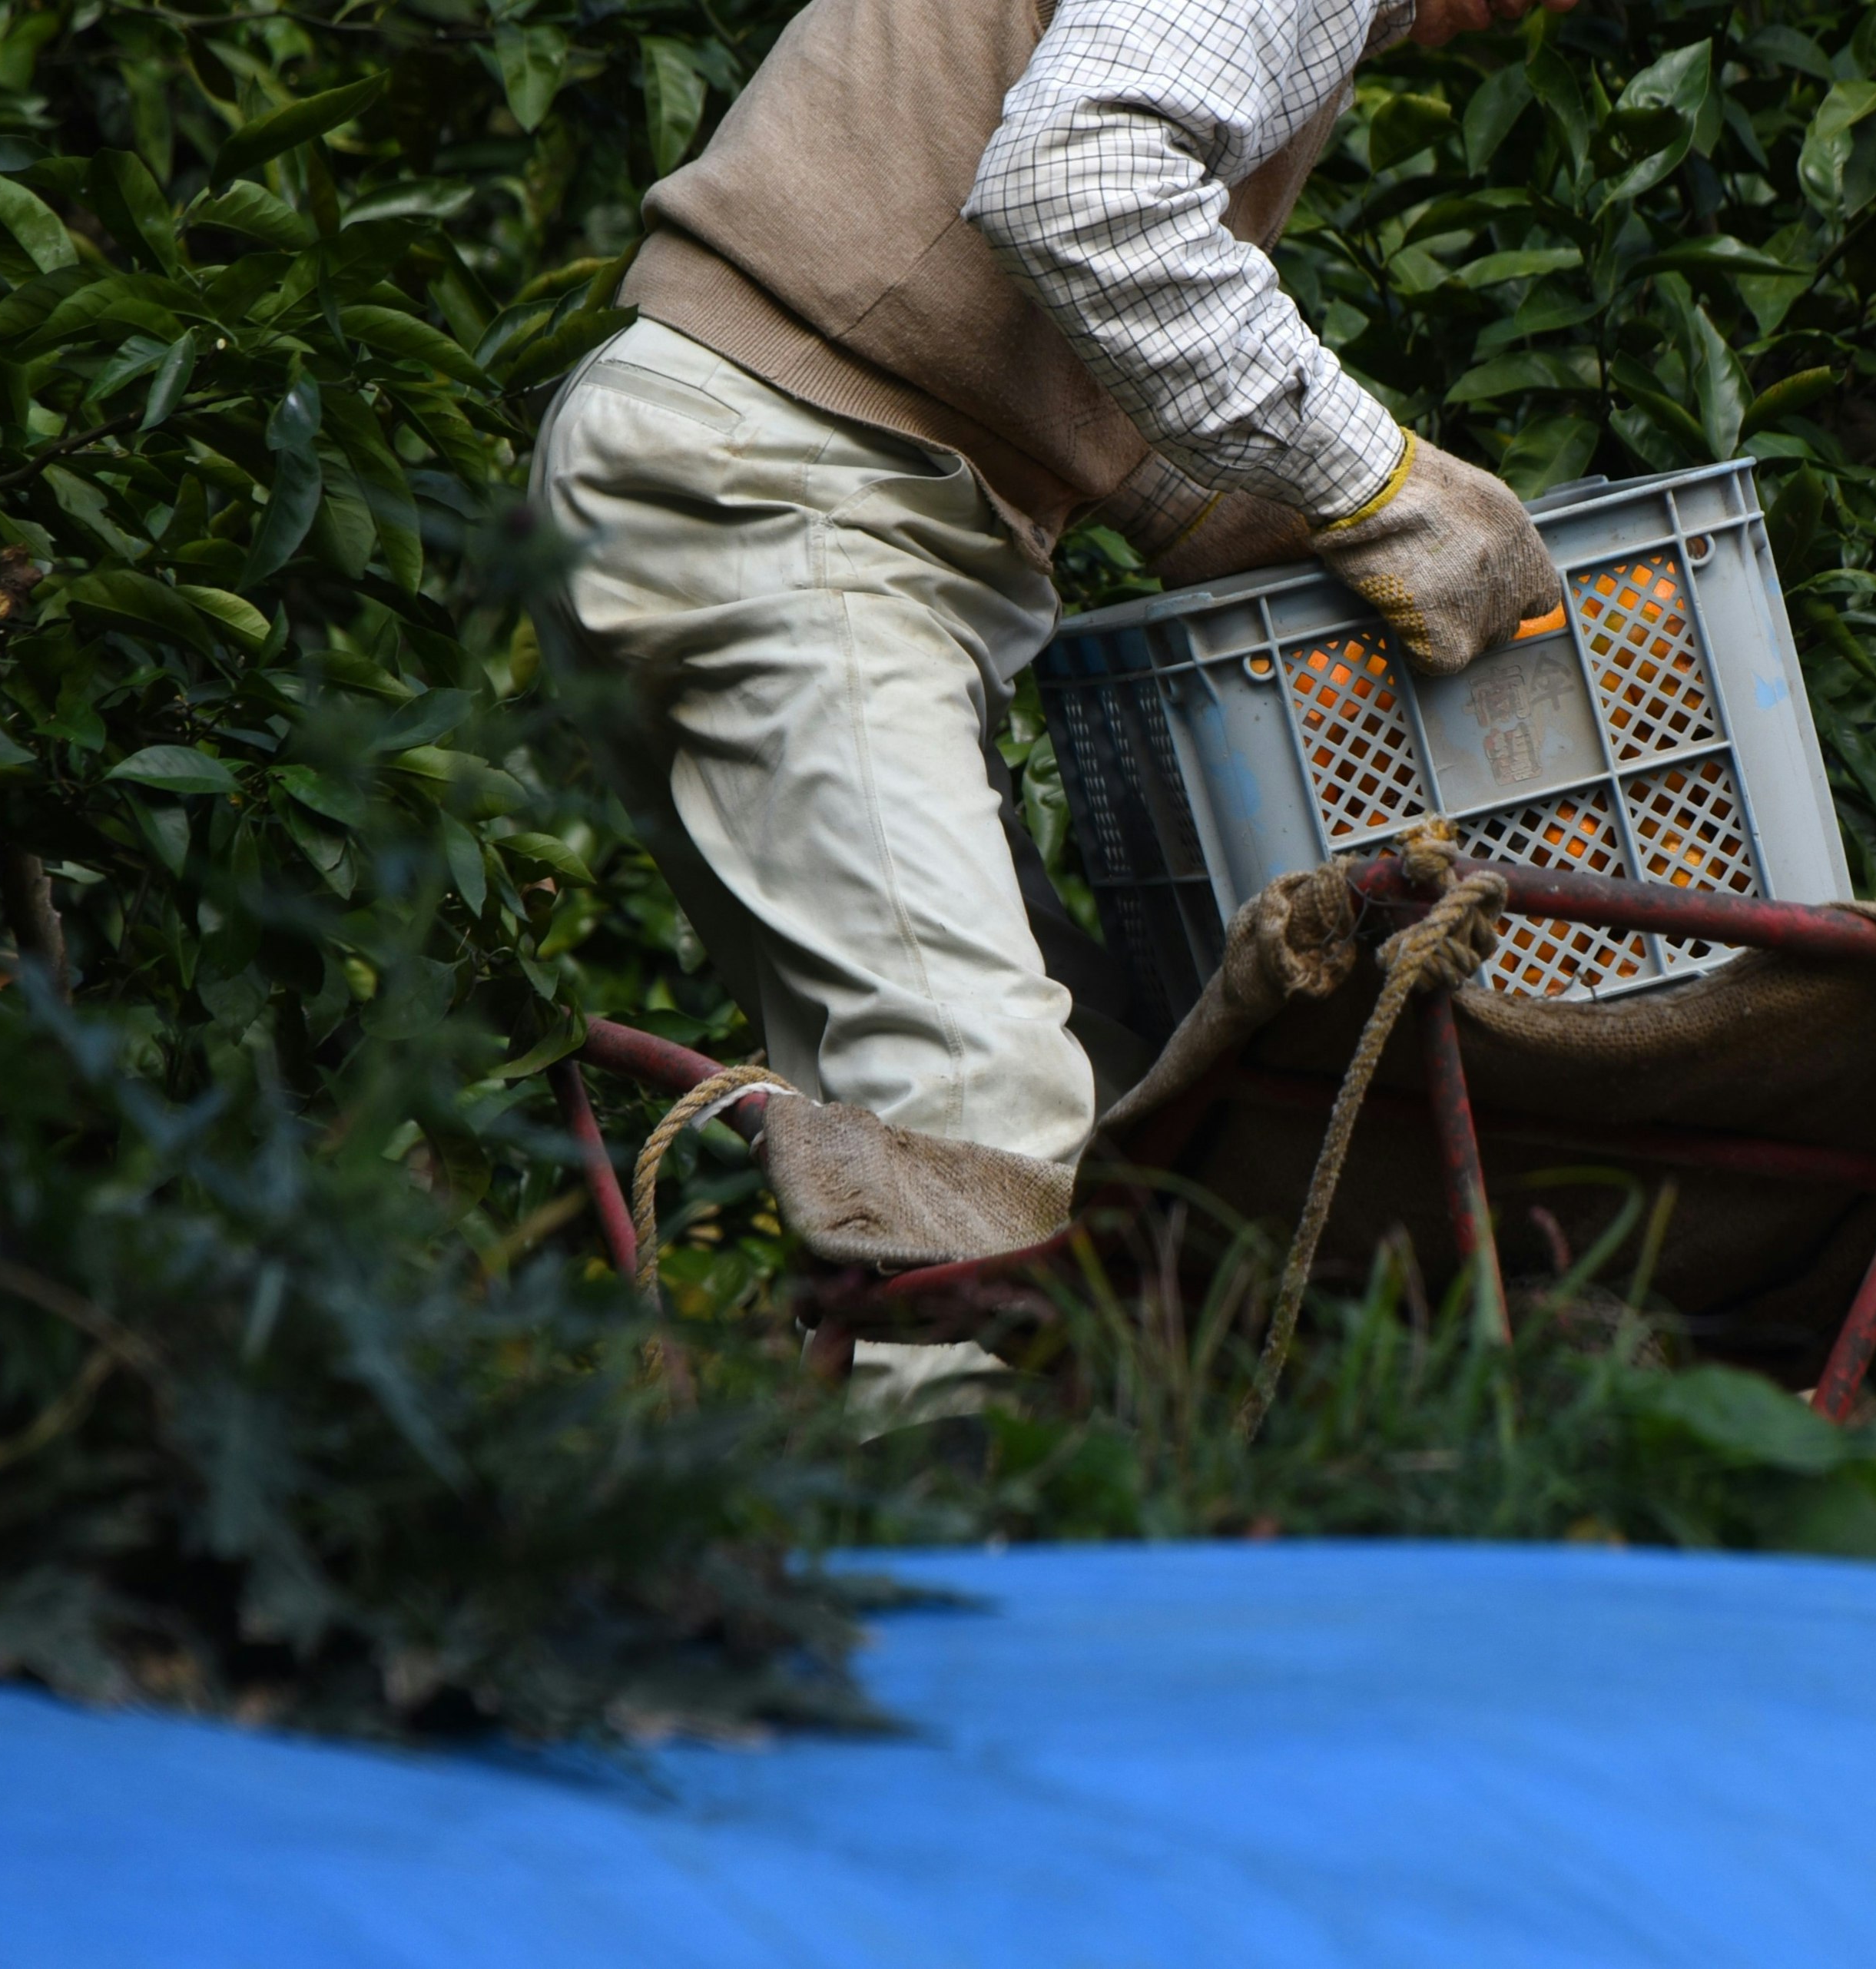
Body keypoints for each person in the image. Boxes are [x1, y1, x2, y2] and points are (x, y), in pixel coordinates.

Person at [532, 0, 1569, 1170]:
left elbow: (1003, 266)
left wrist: (1232, 505)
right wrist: (1382, 482)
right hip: (784, 489)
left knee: (1128, 1128)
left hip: (781, 482)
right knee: (984, 1121)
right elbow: (1083, 182)